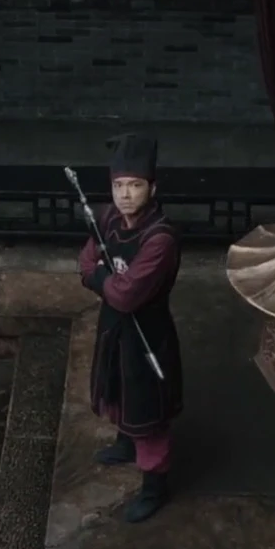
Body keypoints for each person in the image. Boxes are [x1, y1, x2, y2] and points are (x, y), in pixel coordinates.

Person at [79, 132, 184, 523]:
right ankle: (125, 444)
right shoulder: (108, 218)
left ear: (151, 189)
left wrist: (101, 278)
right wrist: (105, 278)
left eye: (135, 185)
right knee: (116, 387)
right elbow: (84, 262)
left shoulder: (160, 239)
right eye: (119, 185)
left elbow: (125, 296)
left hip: (147, 335)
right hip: (114, 329)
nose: (125, 195)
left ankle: (155, 486)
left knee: (147, 409)